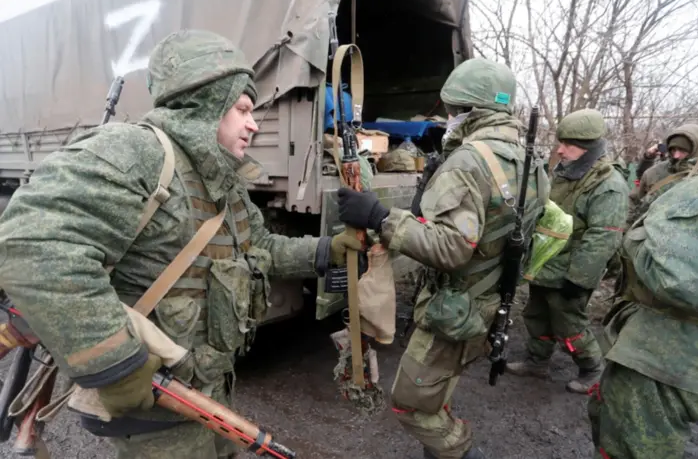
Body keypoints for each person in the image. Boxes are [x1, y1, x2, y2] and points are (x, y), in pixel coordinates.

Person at [0, 29, 362, 458]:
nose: (252, 123)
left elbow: (258, 246)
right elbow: (30, 245)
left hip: (208, 394)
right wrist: (115, 366)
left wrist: (324, 252)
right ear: (207, 105)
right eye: (242, 108)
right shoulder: (137, 152)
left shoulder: (222, 179)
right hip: (155, 409)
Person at [337, 57, 548, 459]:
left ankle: (459, 451)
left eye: (451, 108)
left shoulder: (470, 161)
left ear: (469, 111)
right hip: (490, 301)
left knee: (411, 403)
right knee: (438, 387)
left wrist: (380, 217)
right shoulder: (529, 159)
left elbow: (451, 247)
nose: (447, 117)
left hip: (457, 305)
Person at [506, 108, 628, 394]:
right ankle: (537, 361)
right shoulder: (565, 175)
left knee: (570, 323)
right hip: (546, 263)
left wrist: (579, 279)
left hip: (571, 270)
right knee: (535, 314)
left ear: (588, 149)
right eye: (560, 143)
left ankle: (592, 368)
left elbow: (602, 238)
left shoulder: (608, 186)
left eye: (568, 145)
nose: (559, 151)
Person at [588, 173, 698, 459]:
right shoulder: (666, 174)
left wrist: (635, 245)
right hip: (666, 347)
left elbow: (677, 280)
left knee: (632, 442)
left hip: (667, 352)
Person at [627, 124, 698, 225]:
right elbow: (634, 201)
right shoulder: (654, 172)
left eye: (683, 150)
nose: (676, 155)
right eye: (673, 149)